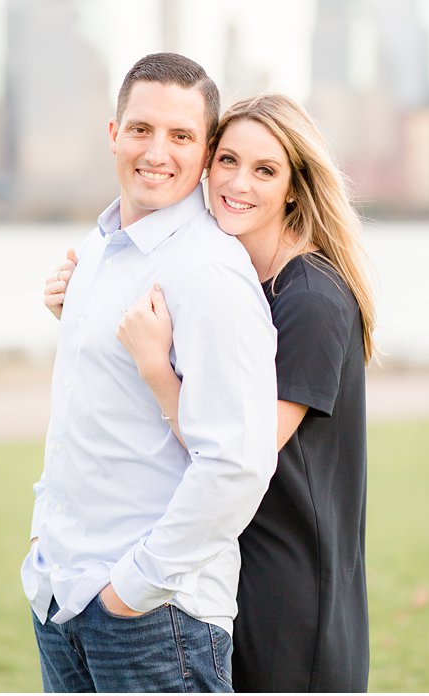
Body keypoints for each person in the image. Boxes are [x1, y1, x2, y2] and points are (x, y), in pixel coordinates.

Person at [67, 93, 373, 691]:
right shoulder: (238, 283)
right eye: (228, 161)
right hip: (231, 562)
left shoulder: (310, 300)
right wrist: (77, 300)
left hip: (289, 589)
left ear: (293, 186)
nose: (238, 183)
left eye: (265, 170)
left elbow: (239, 447)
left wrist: (157, 368)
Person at [24, 52, 278, 692]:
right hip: (61, 599)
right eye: (140, 129)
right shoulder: (100, 251)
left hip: (155, 621)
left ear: (205, 151)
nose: (156, 151)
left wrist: (132, 590)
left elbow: (238, 460)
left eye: (181, 136)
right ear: (113, 134)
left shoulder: (209, 271)